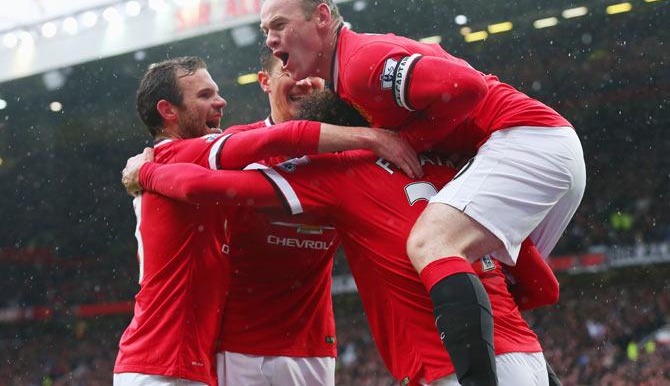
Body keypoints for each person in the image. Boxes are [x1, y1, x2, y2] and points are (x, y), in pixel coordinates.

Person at [259, 0, 586, 385]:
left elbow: (468, 85)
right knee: (481, 276)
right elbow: (543, 288)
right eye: (265, 31)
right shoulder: (356, 69)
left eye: (278, 25)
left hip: (524, 138)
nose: (271, 39)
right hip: (546, 148)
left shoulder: (360, 65)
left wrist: (414, 139)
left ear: (322, 17)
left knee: (432, 245)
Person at [120, 92, 560, 386]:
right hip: (526, 355)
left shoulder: (337, 172)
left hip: (452, 364)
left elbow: (207, 188)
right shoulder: (454, 173)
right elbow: (543, 285)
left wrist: (148, 171)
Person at [114, 56, 421, 385]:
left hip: (240, 354)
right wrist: (372, 137)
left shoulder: (346, 162)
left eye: (313, 74)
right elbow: (276, 141)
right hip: (183, 358)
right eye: (204, 95)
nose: (221, 101)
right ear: (168, 111)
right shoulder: (186, 155)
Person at [214, 50, 338, 386]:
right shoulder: (233, 148)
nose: (304, 81)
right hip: (240, 345)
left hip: (314, 346)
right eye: (289, 70)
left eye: (312, 71)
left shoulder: (345, 153)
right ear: (265, 82)